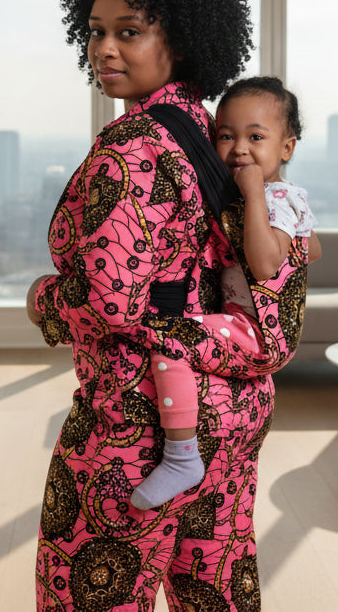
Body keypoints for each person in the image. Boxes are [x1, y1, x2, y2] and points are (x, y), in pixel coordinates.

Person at [26, 0, 308, 612]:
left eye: (130, 31)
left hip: (135, 424)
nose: (106, 48)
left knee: (88, 597)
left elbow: (110, 302)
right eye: (95, 31)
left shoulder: (131, 151)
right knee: (213, 587)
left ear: (178, 37)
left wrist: (43, 301)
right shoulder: (212, 138)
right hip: (231, 414)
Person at [131, 76, 322, 511]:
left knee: (168, 340)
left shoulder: (272, 199)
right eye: (226, 136)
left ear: (287, 148)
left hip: (258, 331)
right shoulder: (287, 200)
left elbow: (266, 264)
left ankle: (181, 457)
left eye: (256, 137)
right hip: (245, 325)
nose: (239, 148)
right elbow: (311, 250)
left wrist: (255, 196)